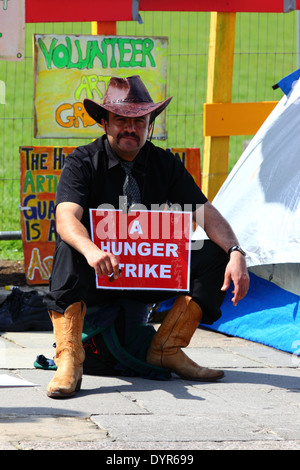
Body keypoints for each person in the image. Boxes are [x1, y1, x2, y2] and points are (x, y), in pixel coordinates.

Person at [44, 75, 249, 398]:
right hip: (99, 274)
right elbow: (66, 217)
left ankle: (167, 348)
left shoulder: (164, 163)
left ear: (150, 125)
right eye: (121, 120)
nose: (131, 128)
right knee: (70, 246)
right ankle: (69, 359)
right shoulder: (82, 161)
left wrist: (237, 252)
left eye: (139, 121)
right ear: (104, 123)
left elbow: (206, 214)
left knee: (217, 254)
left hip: (146, 273)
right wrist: (92, 250)